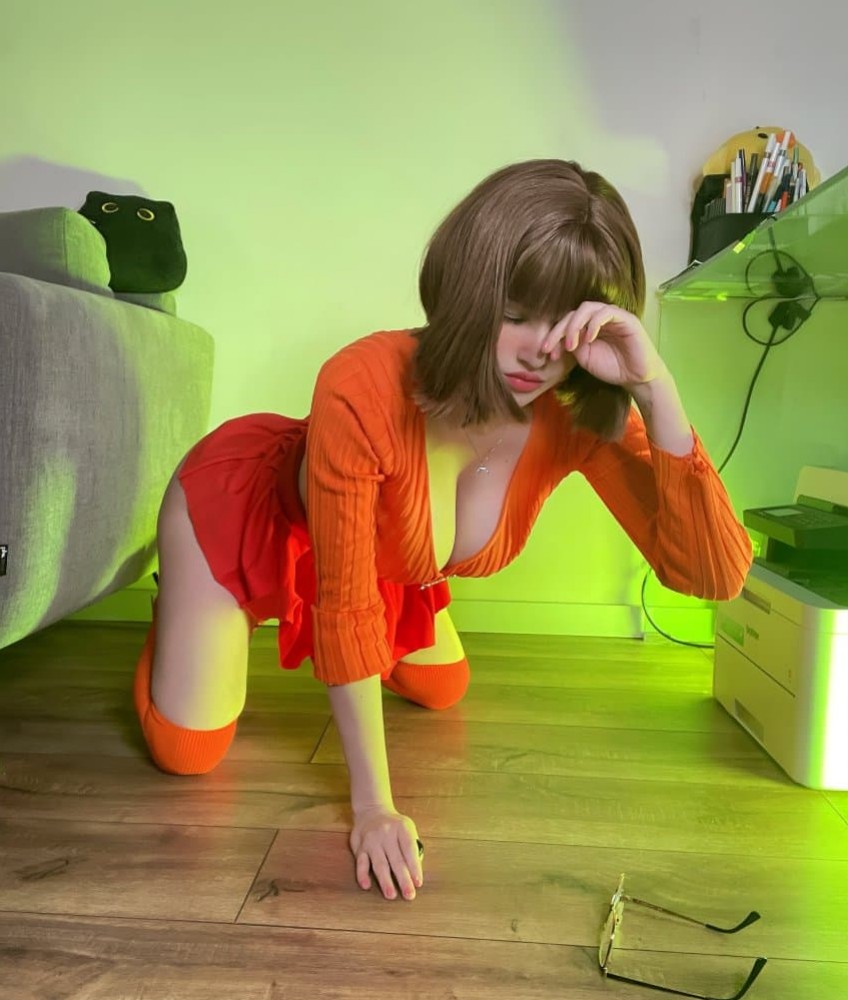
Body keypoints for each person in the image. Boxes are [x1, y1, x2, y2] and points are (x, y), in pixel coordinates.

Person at [133, 158, 752, 905]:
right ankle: (181, 606)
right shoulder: (361, 383)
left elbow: (713, 576)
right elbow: (346, 607)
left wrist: (657, 391)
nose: (538, 352)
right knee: (189, 752)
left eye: (563, 325)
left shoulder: (579, 410)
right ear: (466, 289)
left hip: (382, 563)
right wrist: (373, 808)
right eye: (514, 313)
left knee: (442, 687)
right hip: (239, 517)